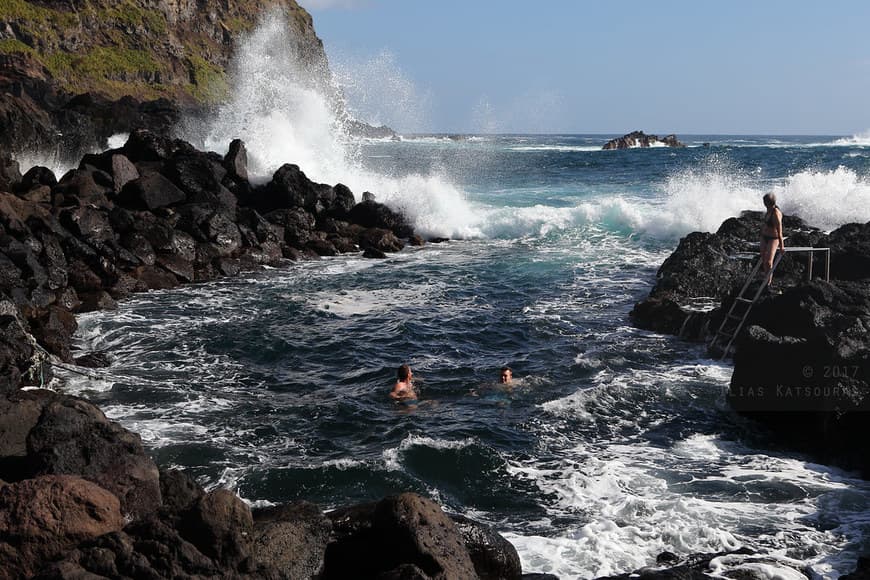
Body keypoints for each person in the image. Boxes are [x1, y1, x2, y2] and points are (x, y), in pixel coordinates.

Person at [760, 193, 785, 290]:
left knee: (769, 262)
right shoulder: (768, 210)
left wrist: (782, 246)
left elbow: (780, 231)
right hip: (764, 236)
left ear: (768, 202)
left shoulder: (776, 214)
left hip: (773, 239)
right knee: (764, 260)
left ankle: (768, 283)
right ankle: (766, 278)